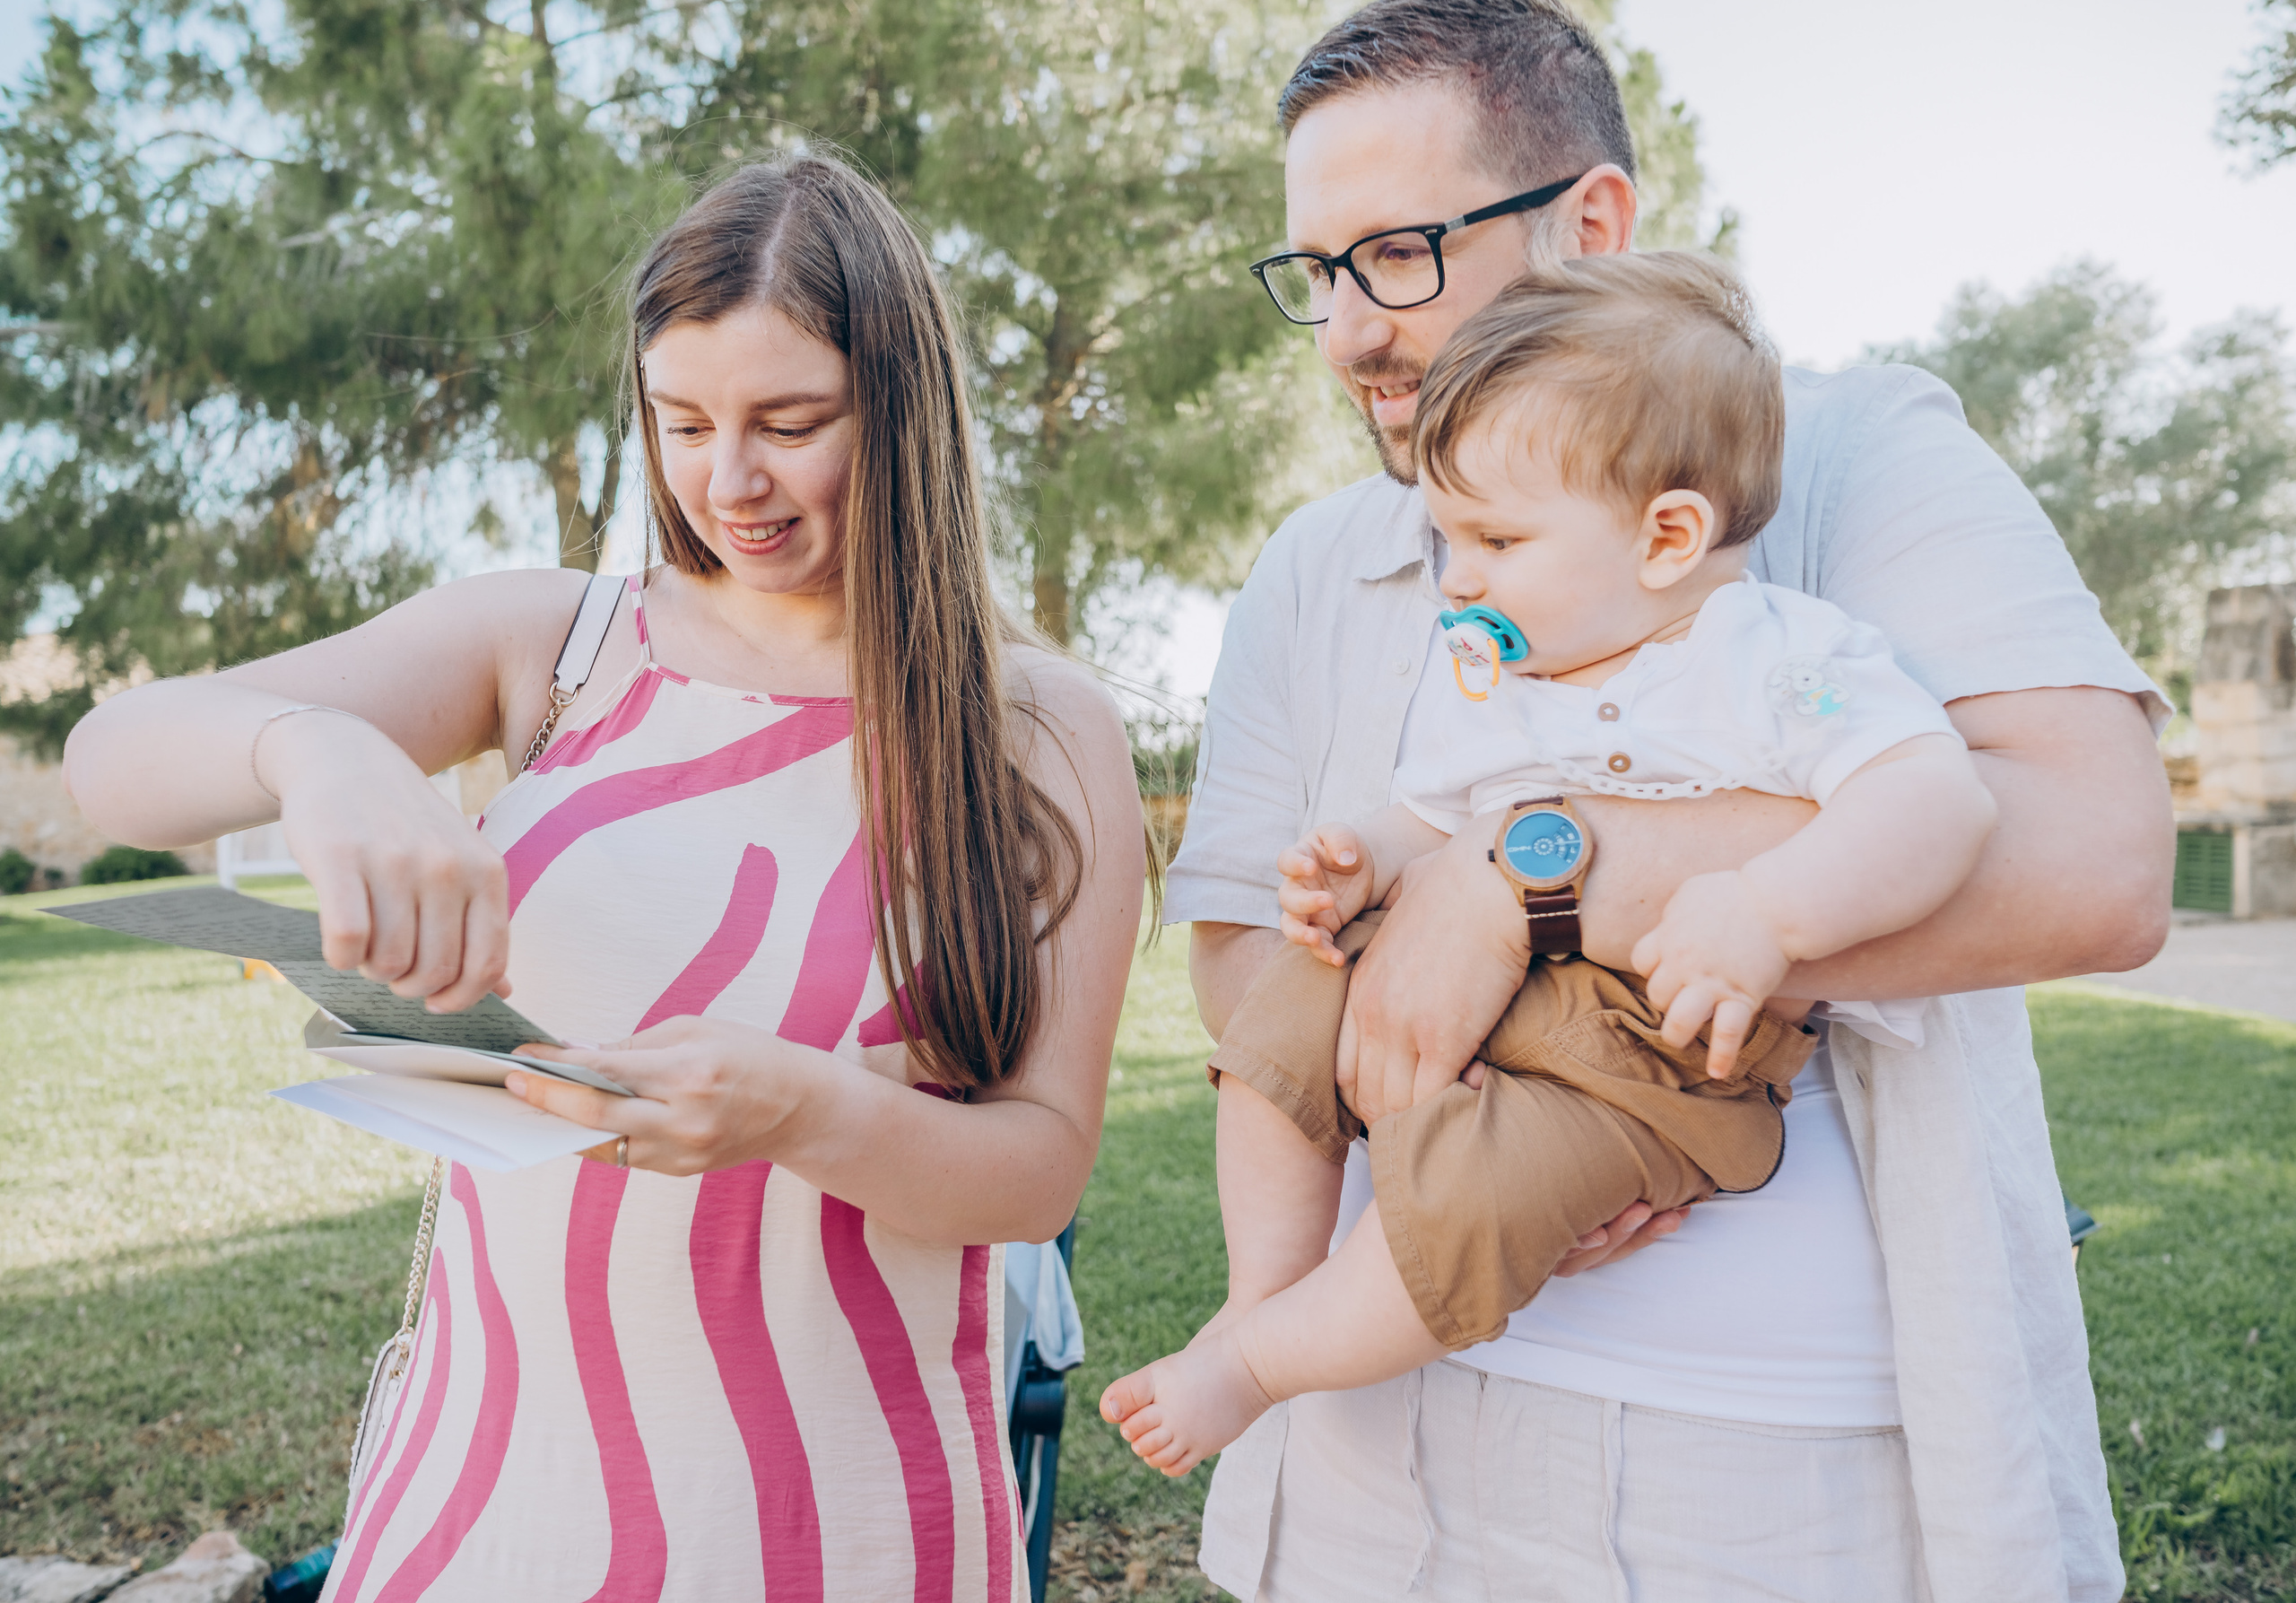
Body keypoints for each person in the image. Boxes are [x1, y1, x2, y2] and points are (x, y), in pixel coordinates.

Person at [1162, 2, 2171, 1599]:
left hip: (1777, 1482)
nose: (1352, 329)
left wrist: (1529, 878)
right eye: (1319, 275)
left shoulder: (1852, 458)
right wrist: (1452, 1108)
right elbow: (1233, 956)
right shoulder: (1314, 565)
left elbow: (2097, 866)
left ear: (1593, 221)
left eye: (1399, 257)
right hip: (1379, 1465)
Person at [61, 153, 1143, 1602]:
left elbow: (1039, 1169)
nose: (727, 480)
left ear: (904, 411)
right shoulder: (556, 646)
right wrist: (314, 749)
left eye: (790, 422)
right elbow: (108, 755)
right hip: (496, 1483)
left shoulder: (1035, 728)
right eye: (681, 420)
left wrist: (801, 1111)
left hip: (842, 1514)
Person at [1105, 251, 2000, 1475]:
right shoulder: (1507, 674)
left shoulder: (1784, 663)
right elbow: (1439, 819)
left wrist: (1768, 910)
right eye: (1444, 534)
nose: (1458, 572)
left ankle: (1259, 1366)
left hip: (1644, 1058)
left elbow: (1935, 799)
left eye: (1495, 536)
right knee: (1277, 1026)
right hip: (1479, 998)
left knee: (1479, 1206)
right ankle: (1259, 1289)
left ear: (1667, 535)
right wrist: (1366, 866)